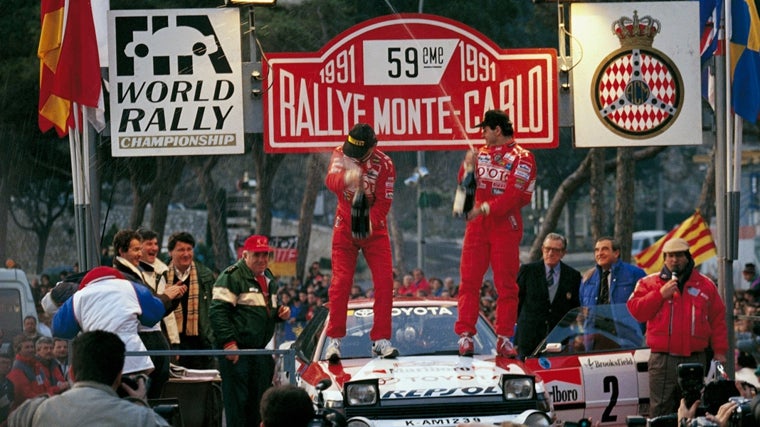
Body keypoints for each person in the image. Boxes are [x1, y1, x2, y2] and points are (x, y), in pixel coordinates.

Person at [454, 109, 536, 358]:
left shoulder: (523, 158)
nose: (482, 134)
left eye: (485, 129)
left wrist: (484, 209)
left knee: (507, 285)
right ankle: (466, 336)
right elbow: (463, 188)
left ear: (497, 130)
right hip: (478, 226)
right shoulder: (480, 153)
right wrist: (468, 167)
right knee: (469, 281)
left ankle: (503, 338)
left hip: (505, 225)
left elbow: (514, 196)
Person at [627, 238, 729, 417]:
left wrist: (720, 352)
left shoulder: (706, 285)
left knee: (694, 408)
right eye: (670, 256)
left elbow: (718, 320)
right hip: (662, 359)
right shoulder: (649, 283)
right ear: (664, 258)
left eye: (679, 255)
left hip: (696, 358)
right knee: (660, 411)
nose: (674, 260)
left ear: (688, 257)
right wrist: (660, 295)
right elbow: (636, 311)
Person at [323, 123, 398, 361]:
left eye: (359, 153)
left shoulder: (385, 165)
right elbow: (330, 182)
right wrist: (347, 176)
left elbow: (384, 204)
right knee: (341, 282)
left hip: (374, 230)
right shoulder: (340, 154)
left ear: (373, 147)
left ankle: (381, 339)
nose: (353, 156)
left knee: (385, 282)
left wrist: (367, 222)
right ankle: (334, 340)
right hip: (344, 226)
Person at [209, 235, 291, 427]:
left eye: (265, 255)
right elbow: (217, 312)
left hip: (259, 352)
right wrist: (229, 343)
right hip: (238, 352)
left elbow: (266, 309)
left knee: (259, 404)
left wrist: (280, 313)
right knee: (237, 405)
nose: (262, 259)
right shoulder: (231, 276)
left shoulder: (268, 277)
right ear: (245, 254)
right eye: (257, 255)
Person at [8, 330, 170, 427]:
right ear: (119, 377)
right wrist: (142, 405)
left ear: (71, 373)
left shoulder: (34, 412)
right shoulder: (142, 419)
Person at [52, 266, 167, 378]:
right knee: (136, 393)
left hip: (98, 360)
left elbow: (60, 329)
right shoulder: (131, 287)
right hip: (133, 359)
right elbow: (155, 314)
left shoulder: (78, 296)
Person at [113, 229, 186, 399]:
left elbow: (154, 308)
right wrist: (168, 296)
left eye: (140, 249)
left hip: (152, 344)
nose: (140, 253)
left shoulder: (135, 274)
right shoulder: (125, 276)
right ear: (122, 251)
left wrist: (171, 297)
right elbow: (149, 311)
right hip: (144, 343)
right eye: (135, 249)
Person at [515, 233, 581, 359]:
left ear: (563, 253)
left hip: (558, 340)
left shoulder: (573, 276)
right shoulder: (528, 271)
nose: (550, 253)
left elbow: (574, 308)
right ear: (542, 249)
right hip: (529, 339)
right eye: (547, 249)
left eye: (555, 250)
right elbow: (517, 303)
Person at [166, 231, 217, 370]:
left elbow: (214, 309)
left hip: (200, 345)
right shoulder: (161, 275)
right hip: (171, 344)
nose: (186, 254)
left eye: (189, 249)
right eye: (181, 250)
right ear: (170, 252)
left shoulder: (206, 276)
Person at [580, 236, 645, 307]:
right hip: (596, 318)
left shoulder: (635, 274)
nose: (599, 253)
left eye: (605, 249)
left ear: (616, 253)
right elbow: (582, 307)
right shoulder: (588, 278)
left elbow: (645, 303)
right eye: (597, 250)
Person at [0, 350, 14, 425]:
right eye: (3, 362)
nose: (7, 366)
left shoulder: (10, 384)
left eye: (9, 363)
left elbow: (10, 405)